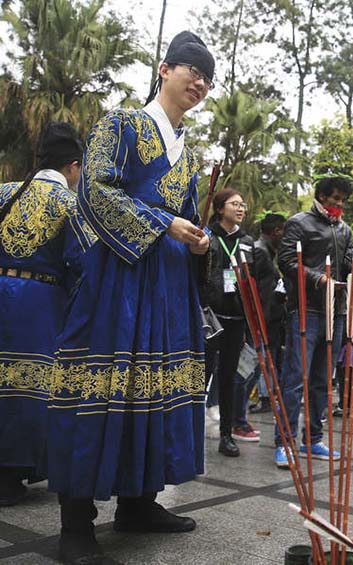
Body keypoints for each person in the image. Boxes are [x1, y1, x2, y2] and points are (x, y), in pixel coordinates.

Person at [47, 31, 215, 563]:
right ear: (164, 69)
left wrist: (196, 238)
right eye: (193, 70)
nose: (201, 82)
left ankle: (139, 501)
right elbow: (95, 189)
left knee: (154, 390)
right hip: (119, 276)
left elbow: (184, 217)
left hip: (166, 286)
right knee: (101, 386)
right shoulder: (121, 123)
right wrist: (166, 224)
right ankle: (75, 523)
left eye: (208, 78)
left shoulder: (187, 151)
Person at [0, 123, 93, 507]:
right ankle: (10, 475)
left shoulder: (5, 192)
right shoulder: (69, 203)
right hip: (39, 302)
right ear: (72, 166)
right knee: (29, 389)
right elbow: (81, 263)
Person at [275, 176, 353, 469]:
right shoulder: (299, 223)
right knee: (296, 378)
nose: (339, 204)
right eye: (335, 198)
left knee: (323, 380)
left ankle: (312, 440)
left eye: (343, 200)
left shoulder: (345, 229)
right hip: (306, 309)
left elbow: (347, 263)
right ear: (321, 196)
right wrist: (317, 278)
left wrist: (351, 268)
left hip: (336, 311)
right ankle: (284, 442)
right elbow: (286, 262)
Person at [203, 188, 274, 456]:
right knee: (203, 375)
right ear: (220, 208)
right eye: (235, 204)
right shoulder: (206, 238)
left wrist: (254, 317)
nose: (241, 208)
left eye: (243, 204)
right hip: (209, 319)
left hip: (235, 321)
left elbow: (263, 281)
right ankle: (187, 434)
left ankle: (227, 435)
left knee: (230, 377)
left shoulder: (249, 244)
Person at [249, 212, 288, 414]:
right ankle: (266, 397)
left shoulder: (267, 252)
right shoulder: (261, 252)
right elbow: (262, 294)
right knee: (264, 358)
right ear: (276, 231)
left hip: (270, 319)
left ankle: (269, 396)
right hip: (265, 320)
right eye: (284, 232)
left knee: (270, 358)